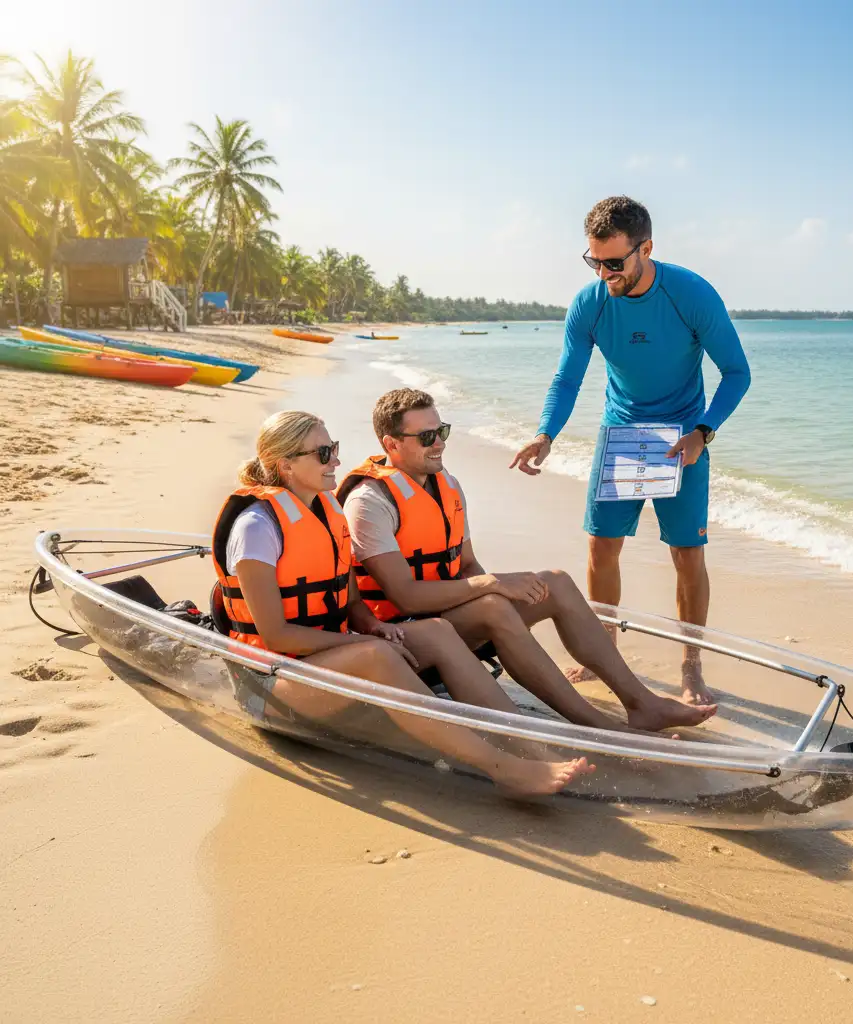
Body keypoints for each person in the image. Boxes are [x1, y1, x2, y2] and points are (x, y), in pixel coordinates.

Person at [211, 409, 590, 796]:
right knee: (377, 656)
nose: (337, 461)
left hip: (325, 661)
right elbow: (276, 636)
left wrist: (373, 626)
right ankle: (502, 768)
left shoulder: (328, 512)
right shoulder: (257, 529)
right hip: (269, 683)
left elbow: (351, 600)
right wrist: (365, 643)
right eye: (323, 453)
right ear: (285, 465)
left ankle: (531, 749)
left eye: (334, 449)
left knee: (438, 632)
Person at [338, 388, 717, 732]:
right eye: (426, 437)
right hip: (404, 638)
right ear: (391, 443)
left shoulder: (446, 485)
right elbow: (405, 598)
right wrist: (492, 589)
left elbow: (467, 563)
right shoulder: (370, 502)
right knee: (493, 607)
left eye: (443, 432)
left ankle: (642, 704)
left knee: (556, 582)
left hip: (452, 618)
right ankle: (599, 726)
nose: (439, 443)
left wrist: (498, 594)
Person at [509, 196, 751, 706]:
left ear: (646, 249)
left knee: (687, 555)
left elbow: (737, 372)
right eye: (593, 260)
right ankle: (602, 653)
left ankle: (691, 665)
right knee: (601, 546)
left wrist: (702, 432)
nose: (603, 273)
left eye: (614, 262)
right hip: (621, 433)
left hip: (682, 438)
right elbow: (567, 376)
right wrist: (545, 433)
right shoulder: (590, 302)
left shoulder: (691, 294)